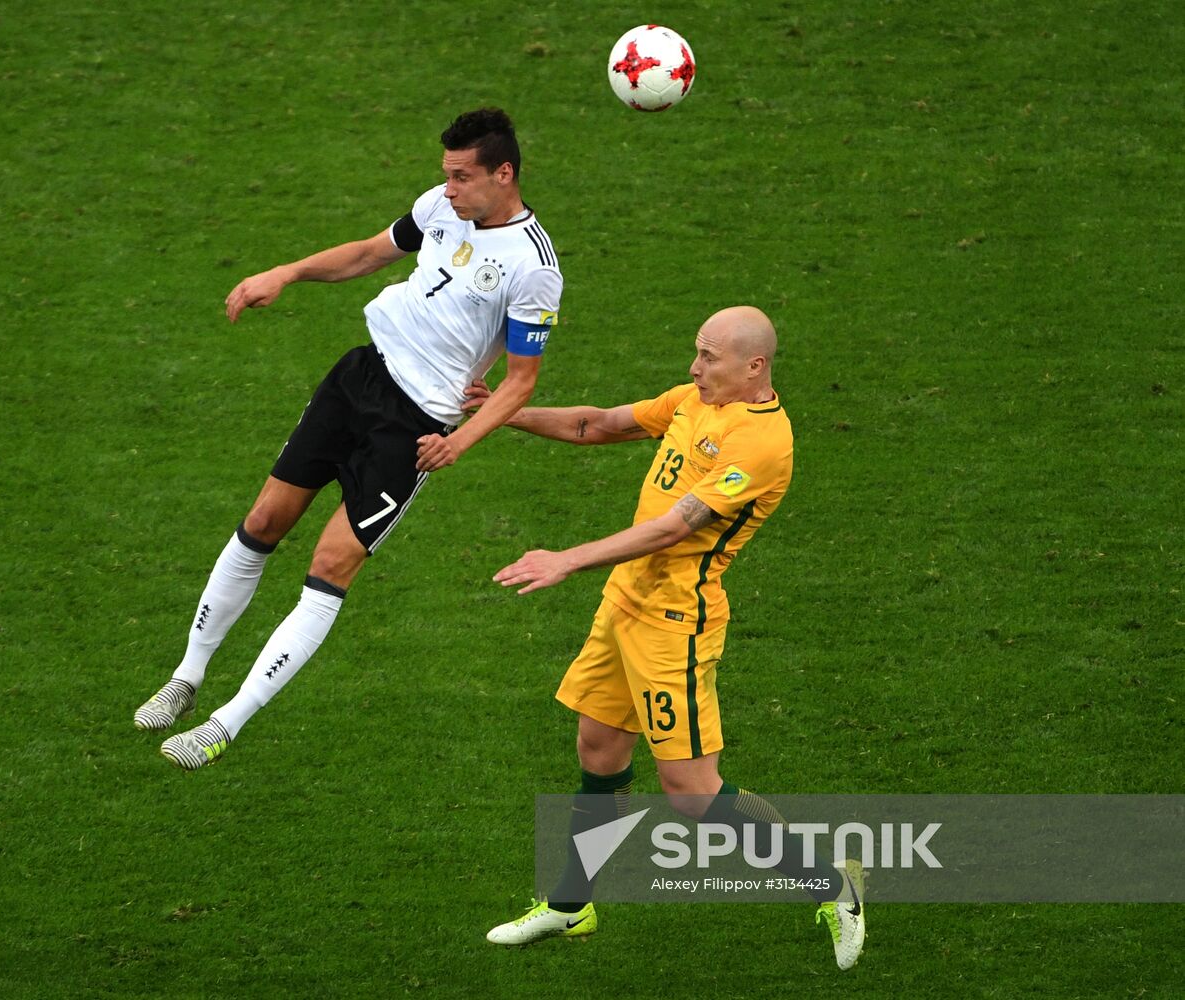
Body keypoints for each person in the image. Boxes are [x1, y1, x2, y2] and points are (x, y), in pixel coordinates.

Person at [134, 108, 562, 770]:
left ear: (502, 175)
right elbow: (368, 254)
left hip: (415, 423)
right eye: (444, 175)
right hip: (357, 377)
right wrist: (287, 273)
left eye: (461, 177)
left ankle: (224, 723)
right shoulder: (439, 208)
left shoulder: (533, 268)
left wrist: (459, 441)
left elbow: (519, 382)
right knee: (262, 521)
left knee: (330, 565)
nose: (447, 189)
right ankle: (186, 679)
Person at [478, 306, 866, 971]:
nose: (693, 367)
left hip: (674, 623)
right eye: (696, 352)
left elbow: (672, 529)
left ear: (754, 367)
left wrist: (566, 558)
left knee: (689, 793)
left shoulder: (762, 444)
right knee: (597, 748)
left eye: (708, 357)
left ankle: (831, 885)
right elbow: (595, 423)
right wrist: (501, 413)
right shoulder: (692, 400)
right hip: (622, 604)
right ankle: (572, 906)